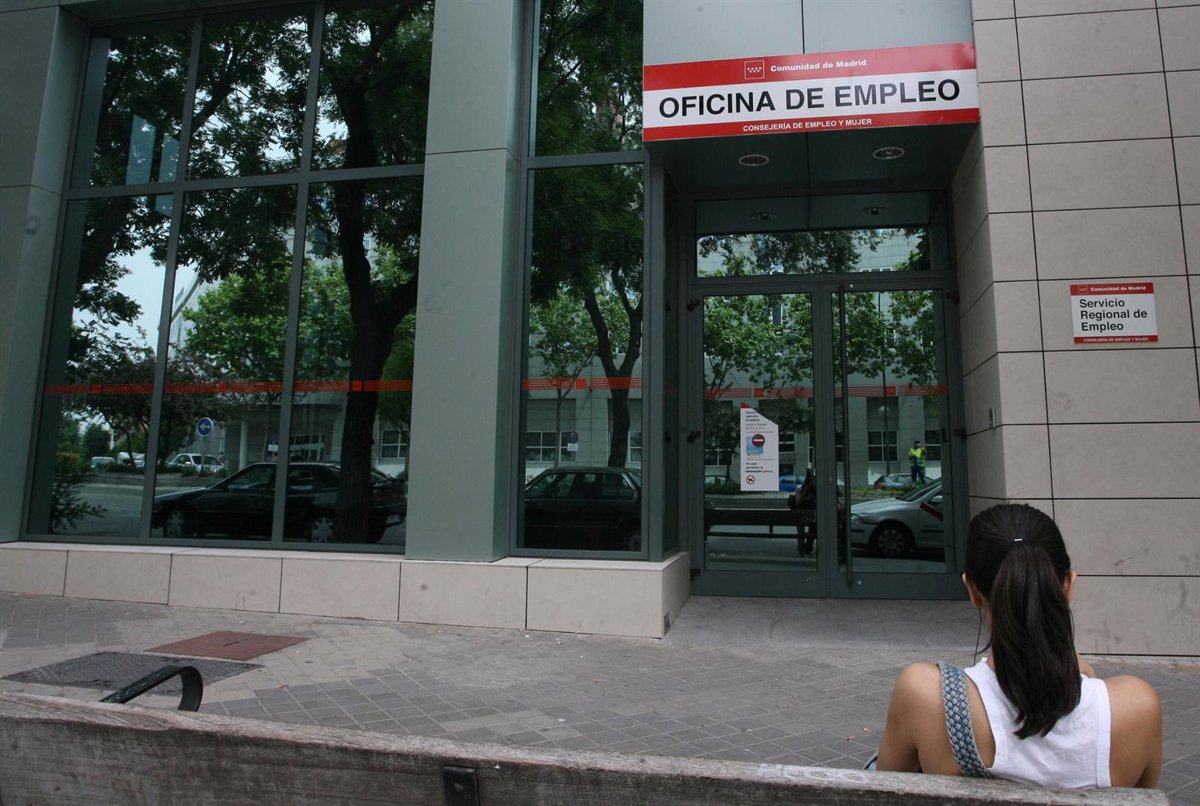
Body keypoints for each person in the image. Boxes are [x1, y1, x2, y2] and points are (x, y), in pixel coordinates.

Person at [876, 504, 1161, 789]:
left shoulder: (925, 695)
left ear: (972, 590)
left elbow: (882, 792)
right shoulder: (1136, 707)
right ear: (1068, 586)